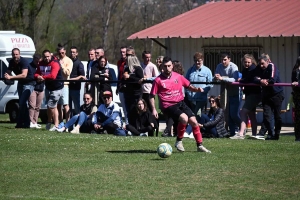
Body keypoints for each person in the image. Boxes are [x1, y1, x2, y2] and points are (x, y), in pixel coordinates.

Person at [150, 56, 211, 153]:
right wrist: (153, 109)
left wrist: (197, 89)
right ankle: (179, 141)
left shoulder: (178, 76)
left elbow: (188, 86)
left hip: (180, 103)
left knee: (194, 122)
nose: (167, 68)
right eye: (165, 66)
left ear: (172, 66)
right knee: (184, 119)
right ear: (162, 66)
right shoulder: (158, 80)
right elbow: (151, 96)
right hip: (168, 105)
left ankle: (199, 145)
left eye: (169, 66)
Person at [230, 54, 261, 139]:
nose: (246, 64)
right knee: (251, 114)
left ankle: (241, 133)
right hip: (248, 93)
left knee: (243, 112)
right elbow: (245, 79)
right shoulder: (244, 70)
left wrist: (242, 80)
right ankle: (254, 134)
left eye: (248, 62)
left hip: (255, 94)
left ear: (252, 62)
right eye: (245, 62)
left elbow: (249, 79)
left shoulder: (254, 69)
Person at [254, 55, 284, 140]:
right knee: (267, 115)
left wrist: (264, 81)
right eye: (260, 64)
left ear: (268, 61)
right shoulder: (259, 68)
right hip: (266, 95)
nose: (261, 66)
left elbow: (273, 79)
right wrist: (260, 81)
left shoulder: (272, 66)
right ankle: (271, 134)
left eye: (263, 63)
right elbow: (254, 77)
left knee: (277, 116)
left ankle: (277, 134)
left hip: (277, 94)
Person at [4, 48, 35, 128]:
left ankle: (21, 123)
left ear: (19, 54)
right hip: (21, 83)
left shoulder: (23, 61)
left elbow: (24, 75)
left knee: (22, 103)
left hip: (29, 83)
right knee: (22, 104)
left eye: (17, 54)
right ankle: (25, 123)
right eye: (14, 54)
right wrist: (6, 75)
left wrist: (11, 77)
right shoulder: (11, 62)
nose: (15, 56)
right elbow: (8, 71)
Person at [34, 49, 64, 131]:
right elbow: (36, 73)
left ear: (50, 56)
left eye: (48, 56)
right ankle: (56, 125)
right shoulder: (41, 63)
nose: (47, 58)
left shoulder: (55, 63)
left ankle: (49, 122)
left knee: (51, 106)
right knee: (52, 107)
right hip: (48, 87)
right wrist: (38, 76)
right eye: (45, 57)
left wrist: (42, 77)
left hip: (57, 87)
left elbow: (53, 76)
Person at [214, 53, 241, 136]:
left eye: (225, 59)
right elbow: (216, 78)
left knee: (234, 114)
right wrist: (215, 77)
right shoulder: (219, 66)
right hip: (224, 92)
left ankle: (242, 128)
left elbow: (234, 79)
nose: (223, 61)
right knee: (227, 114)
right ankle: (232, 133)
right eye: (222, 59)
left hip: (235, 92)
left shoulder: (234, 67)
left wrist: (222, 78)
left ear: (229, 59)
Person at [185, 52, 213, 116]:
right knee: (192, 115)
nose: (197, 62)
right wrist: (188, 92)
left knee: (197, 114)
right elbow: (186, 82)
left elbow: (210, 84)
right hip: (191, 98)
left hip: (201, 98)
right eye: (195, 61)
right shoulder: (190, 70)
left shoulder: (207, 71)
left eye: (199, 61)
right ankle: (197, 125)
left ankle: (198, 125)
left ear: (202, 60)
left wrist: (204, 90)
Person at [122, 48, 144, 115]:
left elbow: (140, 80)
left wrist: (130, 77)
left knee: (136, 111)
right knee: (129, 112)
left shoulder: (138, 68)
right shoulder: (126, 68)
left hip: (136, 93)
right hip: (128, 93)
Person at [56, 44, 73, 126]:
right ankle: (61, 122)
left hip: (65, 84)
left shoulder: (69, 61)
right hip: (57, 85)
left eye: (62, 53)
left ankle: (68, 122)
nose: (61, 54)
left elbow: (68, 73)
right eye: (59, 53)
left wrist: (62, 65)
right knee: (58, 105)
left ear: (65, 52)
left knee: (66, 104)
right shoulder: (56, 59)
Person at [28, 53, 44, 129]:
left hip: (41, 88)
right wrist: (37, 78)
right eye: (36, 61)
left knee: (38, 107)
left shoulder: (42, 66)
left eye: (39, 61)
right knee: (32, 106)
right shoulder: (30, 66)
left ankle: (35, 121)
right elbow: (30, 76)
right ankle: (31, 122)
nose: (38, 63)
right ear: (33, 59)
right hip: (33, 88)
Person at [69, 46, 86, 116]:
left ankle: (78, 124)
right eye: (71, 52)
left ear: (77, 53)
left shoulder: (79, 63)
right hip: (67, 87)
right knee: (68, 107)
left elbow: (82, 76)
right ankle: (69, 124)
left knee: (76, 107)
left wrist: (72, 79)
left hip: (75, 88)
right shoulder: (68, 61)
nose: (72, 53)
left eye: (74, 52)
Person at [116, 46, 128, 124]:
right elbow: (119, 75)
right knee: (124, 107)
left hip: (128, 86)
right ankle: (127, 123)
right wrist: (117, 86)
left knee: (129, 107)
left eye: (124, 52)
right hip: (121, 86)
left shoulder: (129, 62)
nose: (122, 54)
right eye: (121, 52)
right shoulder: (119, 62)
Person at [291, 56, 300, 141]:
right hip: (298, 94)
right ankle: (298, 136)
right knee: (298, 115)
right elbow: (293, 82)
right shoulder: (295, 71)